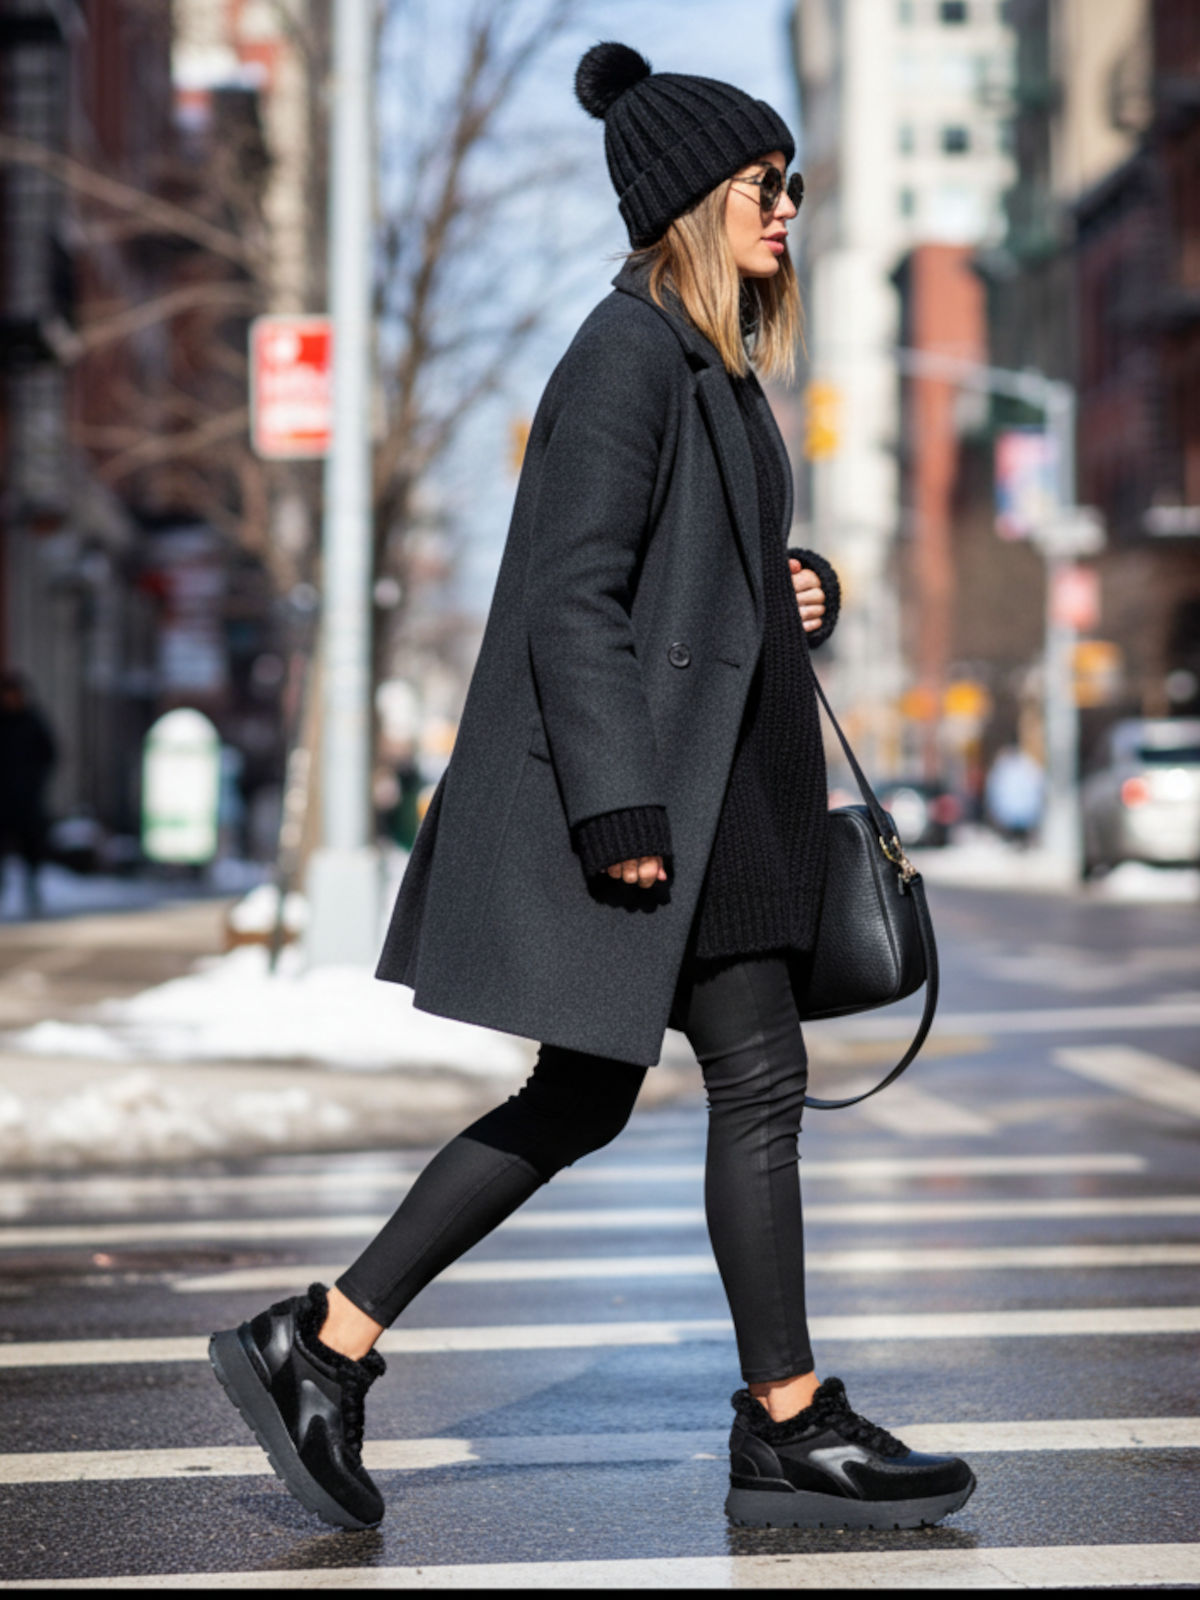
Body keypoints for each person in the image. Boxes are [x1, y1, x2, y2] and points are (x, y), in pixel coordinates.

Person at [208, 43, 976, 1535]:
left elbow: (696, 572)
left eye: (794, 182)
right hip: (670, 798)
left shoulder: (711, 364)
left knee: (588, 1094)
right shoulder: (626, 352)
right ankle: (786, 1421)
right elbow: (573, 592)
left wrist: (800, 585)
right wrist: (616, 805)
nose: (788, 205)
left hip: (719, 785)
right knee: (752, 1082)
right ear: (694, 194)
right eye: (765, 181)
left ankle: (326, 1342)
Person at [0, 671, 57, 917]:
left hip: (27, 797)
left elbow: (50, 753)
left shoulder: (32, 721)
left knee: (31, 845)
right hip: (2, 798)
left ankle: (32, 892)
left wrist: (34, 780)